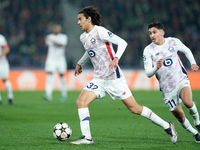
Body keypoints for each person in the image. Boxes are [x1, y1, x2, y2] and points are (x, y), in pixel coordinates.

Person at [70, 6, 178, 145]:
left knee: (134, 108)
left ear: (89, 19)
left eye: (80, 19)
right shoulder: (83, 37)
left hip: (114, 78)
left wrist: (116, 58)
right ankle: (87, 138)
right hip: (99, 79)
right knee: (81, 102)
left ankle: (167, 126)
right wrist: (80, 63)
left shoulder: (100, 31)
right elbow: (90, 51)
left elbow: (122, 42)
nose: (78, 22)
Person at [143, 21, 200, 143]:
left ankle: (198, 122)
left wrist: (193, 63)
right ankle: (195, 133)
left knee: (188, 102)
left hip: (180, 79)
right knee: (180, 116)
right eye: (150, 33)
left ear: (162, 33)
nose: (152, 35)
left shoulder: (173, 41)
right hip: (167, 89)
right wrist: (156, 67)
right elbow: (148, 73)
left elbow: (186, 50)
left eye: (154, 32)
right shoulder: (148, 50)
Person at [43, 24, 68, 101]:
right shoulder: (49, 36)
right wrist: (45, 57)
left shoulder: (63, 37)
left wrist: (51, 40)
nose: (55, 30)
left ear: (60, 30)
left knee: (62, 76)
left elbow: (61, 45)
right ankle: (48, 94)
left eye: (57, 29)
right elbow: (47, 48)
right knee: (49, 76)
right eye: (54, 29)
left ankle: (64, 94)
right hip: (51, 59)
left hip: (60, 59)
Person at [0, 34, 14, 104]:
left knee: (4, 80)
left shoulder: (1, 38)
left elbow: (7, 49)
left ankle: (10, 97)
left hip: (2, 64)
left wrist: (0, 56)